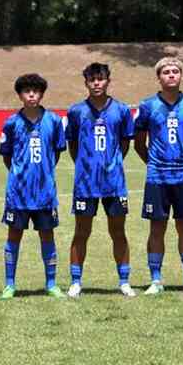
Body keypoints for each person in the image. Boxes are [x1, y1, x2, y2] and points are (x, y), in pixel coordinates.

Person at [133, 57, 183, 296]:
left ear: (181, 76)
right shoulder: (147, 106)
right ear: (159, 78)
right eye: (166, 72)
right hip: (157, 177)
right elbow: (138, 143)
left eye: (175, 71)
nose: (171, 75)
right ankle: (156, 280)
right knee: (157, 228)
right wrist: (155, 163)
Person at [65, 62, 136, 298]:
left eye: (101, 79)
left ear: (108, 81)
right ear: (85, 82)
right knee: (81, 232)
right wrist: (86, 165)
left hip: (114, 182)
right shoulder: (76, 111)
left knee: (118, 232)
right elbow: (72, 145)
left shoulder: (122, 110)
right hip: (85, 183)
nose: (96, 83)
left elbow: (125, 143)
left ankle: (124, 281)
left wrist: (110, 164)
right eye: (91, 79)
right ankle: (76, 281)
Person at [0, 73, 67, 299]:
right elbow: (7, 156)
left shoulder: (54, 121)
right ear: (19, 95)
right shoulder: (11, 123)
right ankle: (10, 284)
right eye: (27, 91)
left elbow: (56, 152)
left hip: (45, 193)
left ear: (42, 94)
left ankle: (51, 283)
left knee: (47, 236)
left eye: (36, 91)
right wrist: (20, 174)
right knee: (13, 236)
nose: (31, 95)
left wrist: (43, 173)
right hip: (18, 193)